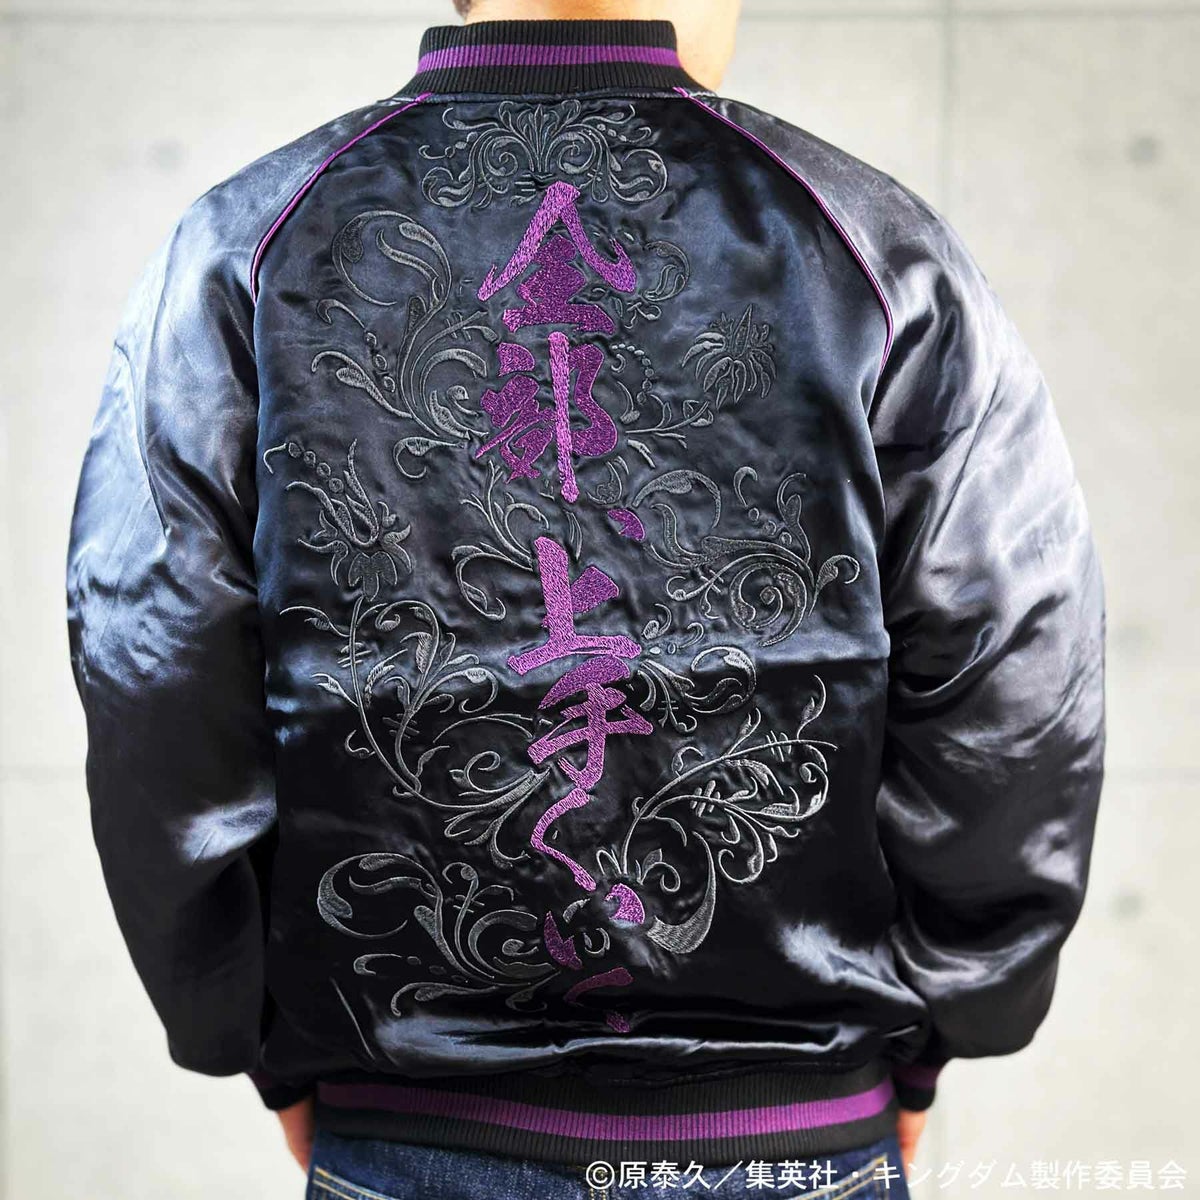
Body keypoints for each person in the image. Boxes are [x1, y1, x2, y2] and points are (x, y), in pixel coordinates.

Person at [64, 0, 1107, 1197]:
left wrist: (246, 1030)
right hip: (794, 1126)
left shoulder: (248, 245)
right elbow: (1016, 680)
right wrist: (948, 1023)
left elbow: (153, 667)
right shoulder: (869, 248)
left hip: (413, 1124)